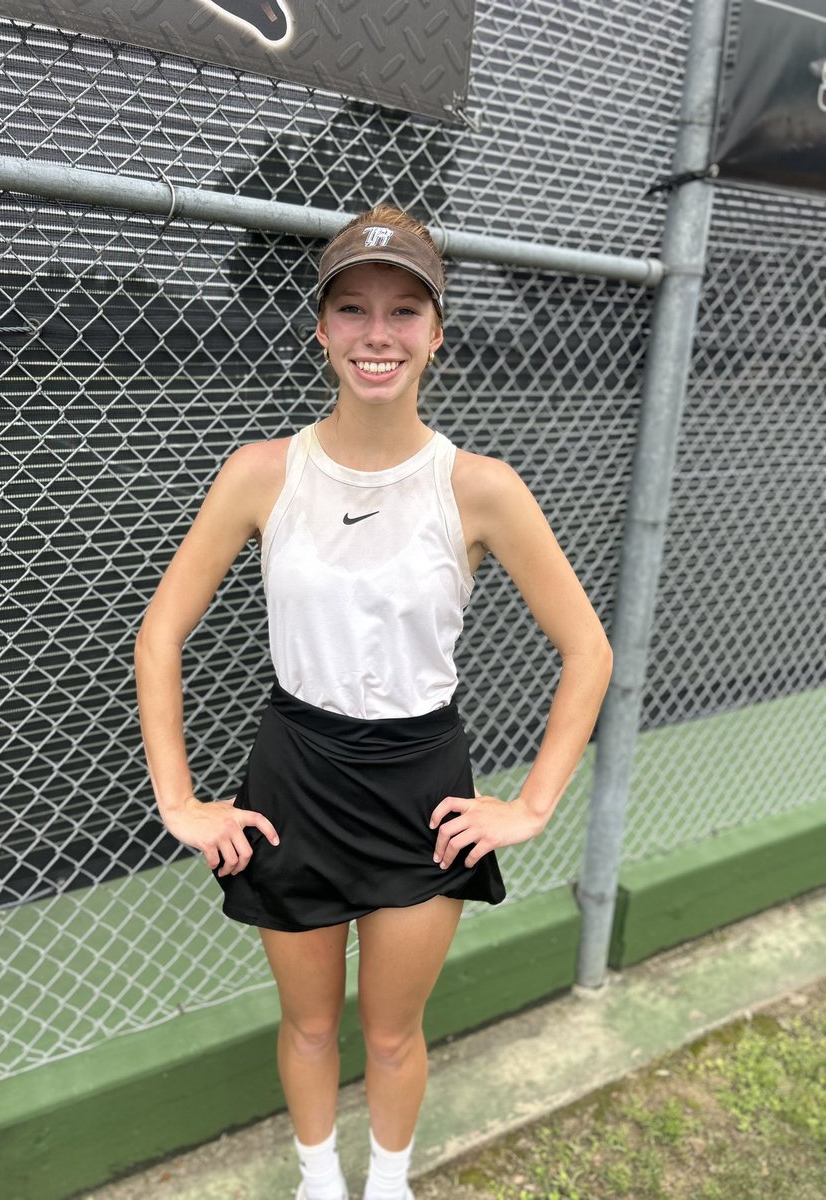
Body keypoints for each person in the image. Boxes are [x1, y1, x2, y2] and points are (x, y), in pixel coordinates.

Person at [134, 204, 613, 1200]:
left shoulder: (479, 487)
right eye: (353, 309)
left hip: (419, 786)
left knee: (391, 1028)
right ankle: (319, 1178)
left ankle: (386, 1182)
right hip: (294, 776)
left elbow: (588, 651)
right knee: (310, 1022)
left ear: (437, 331)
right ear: (321, 329)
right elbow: (160, 633)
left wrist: (529, 806)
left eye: (404, 311)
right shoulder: (262, 473)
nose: (378, 335)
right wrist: (178, 799)